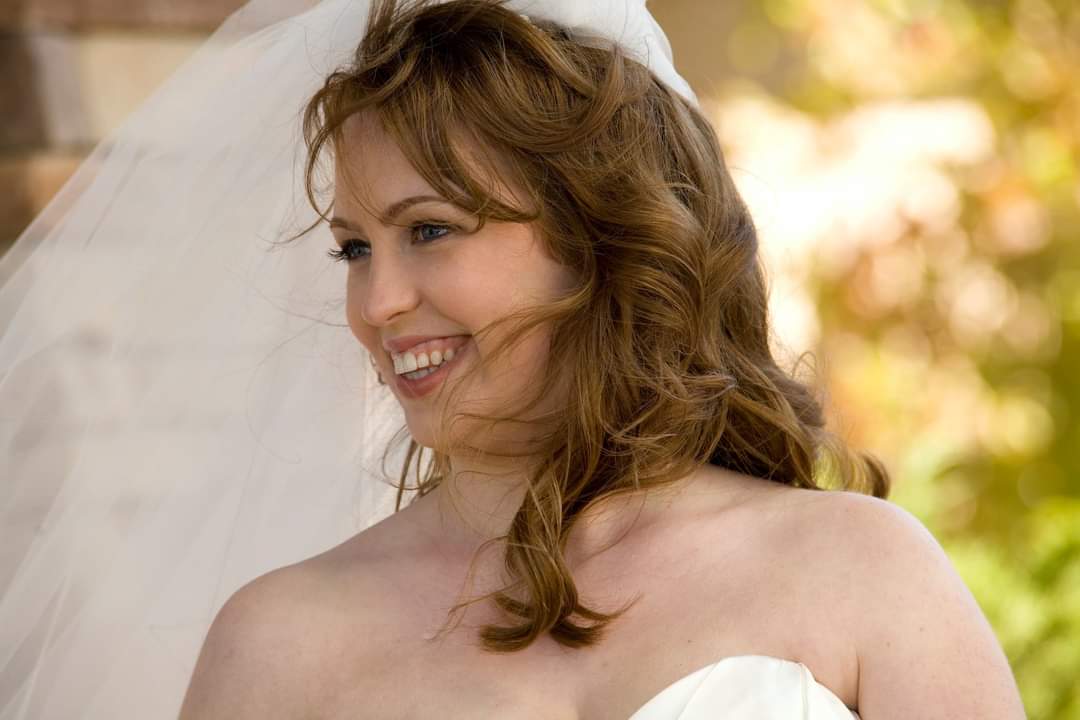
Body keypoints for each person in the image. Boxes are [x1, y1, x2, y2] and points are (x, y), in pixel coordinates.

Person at [0, 1, 1025, 719]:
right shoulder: (279, 642)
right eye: (354, 249)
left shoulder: (858, 570)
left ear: (602, 239)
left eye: (429, 230)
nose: (377, 304)